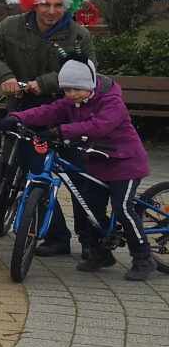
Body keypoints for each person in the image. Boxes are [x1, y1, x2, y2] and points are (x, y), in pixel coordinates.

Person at [0, 0, 94, 257]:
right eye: (45, 4)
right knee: (34, 170)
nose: (51, 11)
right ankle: (55, 235)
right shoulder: (12, 26)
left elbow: (87, 72)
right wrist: (5, 76)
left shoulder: (79, 35)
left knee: (79, 173)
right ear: (33, 4)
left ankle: (90, 239)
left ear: (68, 6)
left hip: (68, 110)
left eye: (58, 5)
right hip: (25, 107)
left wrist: (46, 83)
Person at [11, 59, 156, 281]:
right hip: (97, 162)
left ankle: (143, 258)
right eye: (67, 89)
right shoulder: (72, 101)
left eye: (76, 89)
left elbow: (100, 126)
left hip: (125, 163)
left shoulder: (111, 101)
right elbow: (49, 111)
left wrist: (62, 131)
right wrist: (16, 118)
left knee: (122, 208)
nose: (71, 94)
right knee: (89, 207)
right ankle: (101, 252)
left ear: (90, 85)